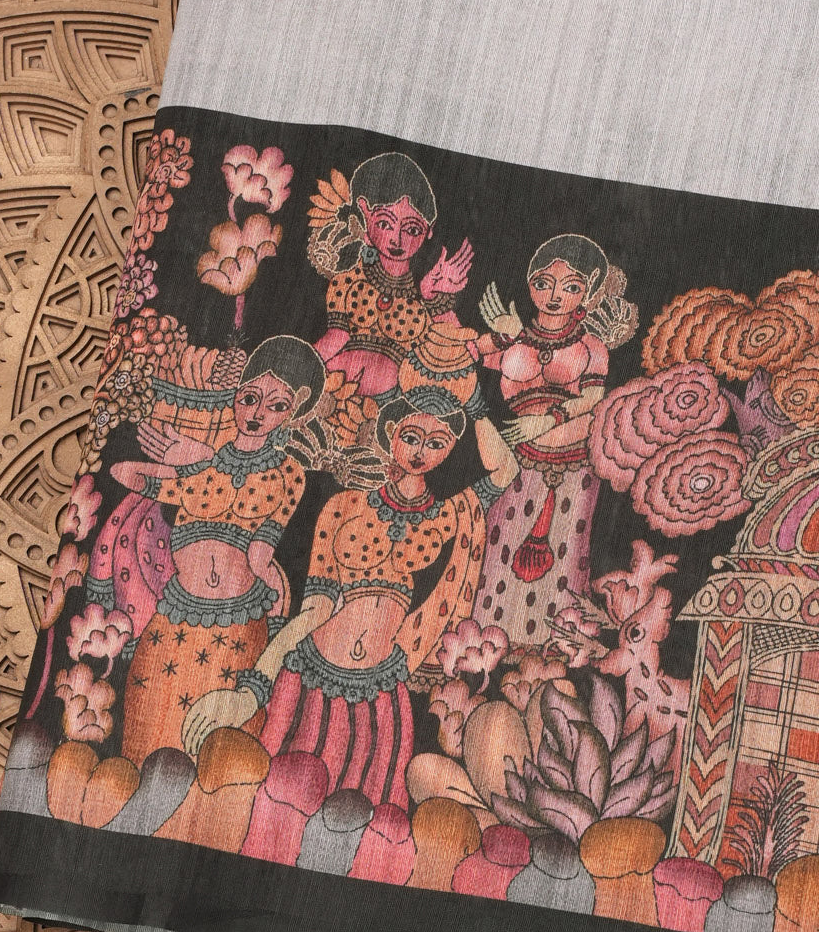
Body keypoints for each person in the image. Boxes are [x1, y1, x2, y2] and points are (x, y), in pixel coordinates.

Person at [182, 386, 517, 810]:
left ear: (450, 449)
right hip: (308, 682)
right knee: (270, 800)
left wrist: (473, 401)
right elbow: (315, 607)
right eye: (411, 437)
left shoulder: (449, 515)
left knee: (363, 811)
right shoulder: (344, 505)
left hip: (381, 692)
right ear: (390, 434)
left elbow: (506, 467)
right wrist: (252, 692)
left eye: (436, 443)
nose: (420, 452)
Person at [109, 335, 326, 765]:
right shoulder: (202, 468)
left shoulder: (288, 474)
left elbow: (261, 554)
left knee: (217, 752)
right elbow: (123, 472)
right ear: (235, 396)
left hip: (238, 628)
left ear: (294, 413)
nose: (257, 414)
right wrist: (190, 460)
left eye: (277, 406)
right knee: (145, 737)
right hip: (173, 622)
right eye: (250, 398)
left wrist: (279, 616)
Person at [472, 234, 637, 648]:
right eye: (544, 283)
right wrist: (502, 336)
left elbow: (592, 399)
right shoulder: (515, 338)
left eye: (571, 286)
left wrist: (546, 420)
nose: (555, 296)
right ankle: (491, 643)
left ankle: (556, 649)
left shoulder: (592, 346)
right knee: (501, 548)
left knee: (564, 557)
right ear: (529, 284)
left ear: (588, 294)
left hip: (574, 468)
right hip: (516, 463)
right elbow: (467, 355)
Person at [311, 152, 473, 399]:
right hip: (333, 394)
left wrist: (434, 299)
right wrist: (299, 369)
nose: (397, 239)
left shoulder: (425, 293)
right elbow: (336, 337)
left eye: (412, 229)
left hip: (397, 404)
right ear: (365, 217)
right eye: (385, 224)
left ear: (428, 231)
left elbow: (460, 351)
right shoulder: (347, 281)